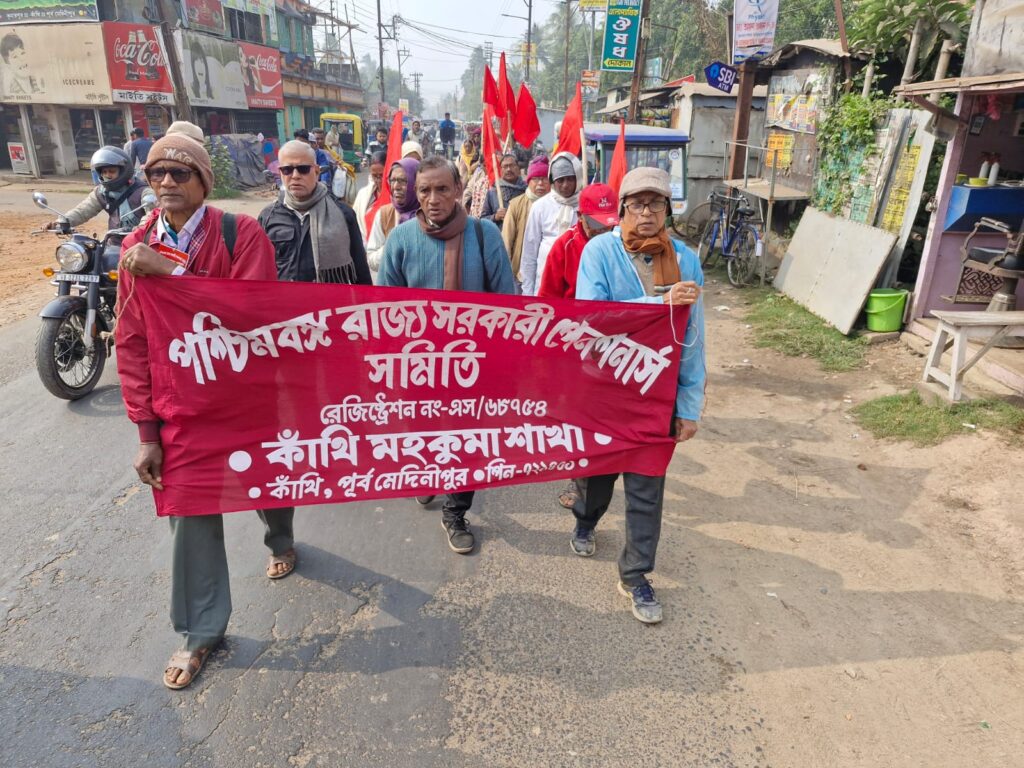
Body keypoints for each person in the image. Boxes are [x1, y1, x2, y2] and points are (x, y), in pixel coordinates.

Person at [114, 124, 280, 689]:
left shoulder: (241, 233)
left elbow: (254, 314)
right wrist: (146, 431)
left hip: (248, 401)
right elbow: (132, 343)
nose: (165, 181)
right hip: (181, 409)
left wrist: (174, 274)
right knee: (189, 512)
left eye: (179, 172)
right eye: (156, 172)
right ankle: (200, 631)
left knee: (269, 488)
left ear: (203, 181)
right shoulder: (135, 249)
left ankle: (280, 538)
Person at [572, 167, 706, 625]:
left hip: (657, 395)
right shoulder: (599, 252)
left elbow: (694, 337)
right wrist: (658, 305)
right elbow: (593, 318)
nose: (647, 212)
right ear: (623, 208)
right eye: (637, 203)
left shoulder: (685, 260)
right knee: (597, 478)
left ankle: (635, 574)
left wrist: (688, 406)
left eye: (656, 203)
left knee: (648, 486)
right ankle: (586, 519)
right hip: (605, 392)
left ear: (668, 210)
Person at [377, 155, 515, 554]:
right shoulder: (401, 240)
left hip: (472, 364)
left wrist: (501, 361)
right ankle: (426, 473)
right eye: (425, 190)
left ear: (458, 190)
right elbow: (385, 309)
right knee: (422, 430)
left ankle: (455, 512)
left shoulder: (485, 235)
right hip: (417, 364)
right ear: (416, 194)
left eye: (442, 189)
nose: (433, 199)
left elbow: (507, 303)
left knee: (466, 439)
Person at [259, 139, 372, 285]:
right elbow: (260, 270)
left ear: (317, 171)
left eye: (303, 169)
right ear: (280, 173)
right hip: (285, 299)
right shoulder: (268, 217)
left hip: (331, 299)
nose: (295, 175)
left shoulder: (343, 214)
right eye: (287, 170)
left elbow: (361, 272)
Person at [538, 182, 618, 300]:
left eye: (607, 222)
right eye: (595, 222)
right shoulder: (564, 246)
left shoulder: (624, 242)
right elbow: (547, 297)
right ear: (580, 216)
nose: (602, 228)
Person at [519, 151, 583, 296]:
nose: (565, 185)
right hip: (544, 285)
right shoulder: (540, 207)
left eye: (570, 179)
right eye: (560, 180)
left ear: (578, 178)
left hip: (577, 286)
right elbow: (529, 254)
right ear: (553, 181)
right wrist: (528, 293)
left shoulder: (585, 206)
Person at [52, 146, 151, 232]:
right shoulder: (101, 192)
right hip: (113, 241)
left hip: (142, 242)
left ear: (123, 171)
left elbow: (153, 215)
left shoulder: (143, 192)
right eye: (104, 172)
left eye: (112, 171)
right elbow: (83, 210)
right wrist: (62, 221)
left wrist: (141, 228)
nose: (107, 175)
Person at [501, 156, 549, 293]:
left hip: (547, 273)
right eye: (536, 179)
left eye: (544, 179)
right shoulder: (516, 204)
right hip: (520, 275)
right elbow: (506, 241)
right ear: (529, 181)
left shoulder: (557, 206)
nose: (540, 183)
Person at [365, 157, 420, 271]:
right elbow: (371, 260)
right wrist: (393, 244)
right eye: (392, 180)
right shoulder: (384, 214)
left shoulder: (429, 214)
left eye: (403, 181)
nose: (395, 187)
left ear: (416, 184)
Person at [480, 153, 527, 230]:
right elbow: (482, 220)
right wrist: (495, 217)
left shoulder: (526, 191)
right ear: (500, 170)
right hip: (498, 235)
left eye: (512, 166)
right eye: (505, 166)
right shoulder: (492, 193)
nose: (508, 169)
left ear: (518, 168)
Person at [352, 150, 385, 243]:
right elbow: (355, 223)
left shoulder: (395, 196)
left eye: (381, 175)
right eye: (375, 176)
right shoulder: (363, 195)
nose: (378, 180)